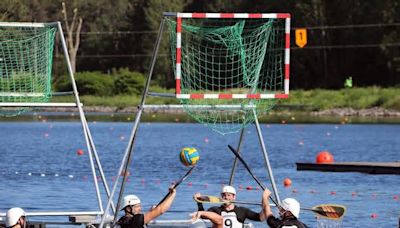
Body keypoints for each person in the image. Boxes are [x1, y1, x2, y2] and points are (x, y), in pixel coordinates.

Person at [195, 185, 268, 228]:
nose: (226, 197)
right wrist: (199, 202)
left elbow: (260, 218)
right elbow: (202, 216)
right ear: (221, 197)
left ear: (234, 197)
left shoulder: (242, 211)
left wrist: (265, 203)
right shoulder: (215, 210)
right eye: (224, 195)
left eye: (229, 195)